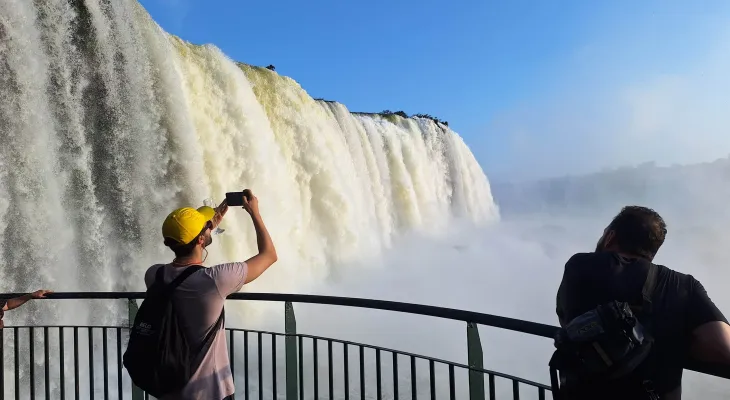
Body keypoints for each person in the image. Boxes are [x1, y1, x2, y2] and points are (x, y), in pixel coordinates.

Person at [554, 205, 730, 400]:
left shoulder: (578, 266)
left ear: (610, 237)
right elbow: (723, 348)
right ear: (652, 251)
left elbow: (567, 321)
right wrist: (676, 343)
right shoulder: (683, 285)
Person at [145, 189, 277, 400]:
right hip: (211, 392)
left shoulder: (154, 275)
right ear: (200, 240)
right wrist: (255, 213)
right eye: (205, 229)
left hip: (170, 390)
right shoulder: (215, 280)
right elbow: (269, 255)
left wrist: (205, 229)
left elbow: (183, 259)